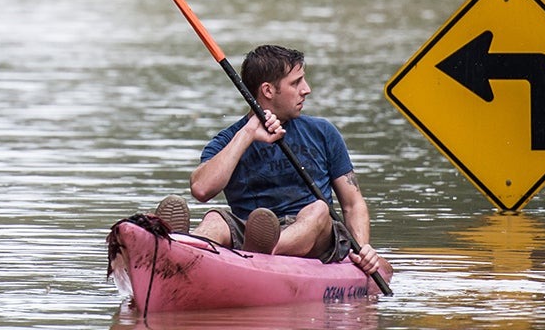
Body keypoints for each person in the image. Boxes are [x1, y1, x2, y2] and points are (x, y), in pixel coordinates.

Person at [155, 44, 384, 278]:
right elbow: (201, 189)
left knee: (318, 210)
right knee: (215, 219)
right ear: (267, 90)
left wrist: (363, 248)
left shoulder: (323, 132)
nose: (306, 90)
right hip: (252, 228)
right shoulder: (229, 140)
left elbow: (353, 203)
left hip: (316, 237)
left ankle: (264, 249)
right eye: (296, 83)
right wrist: (247, 133)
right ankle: (176, 248)